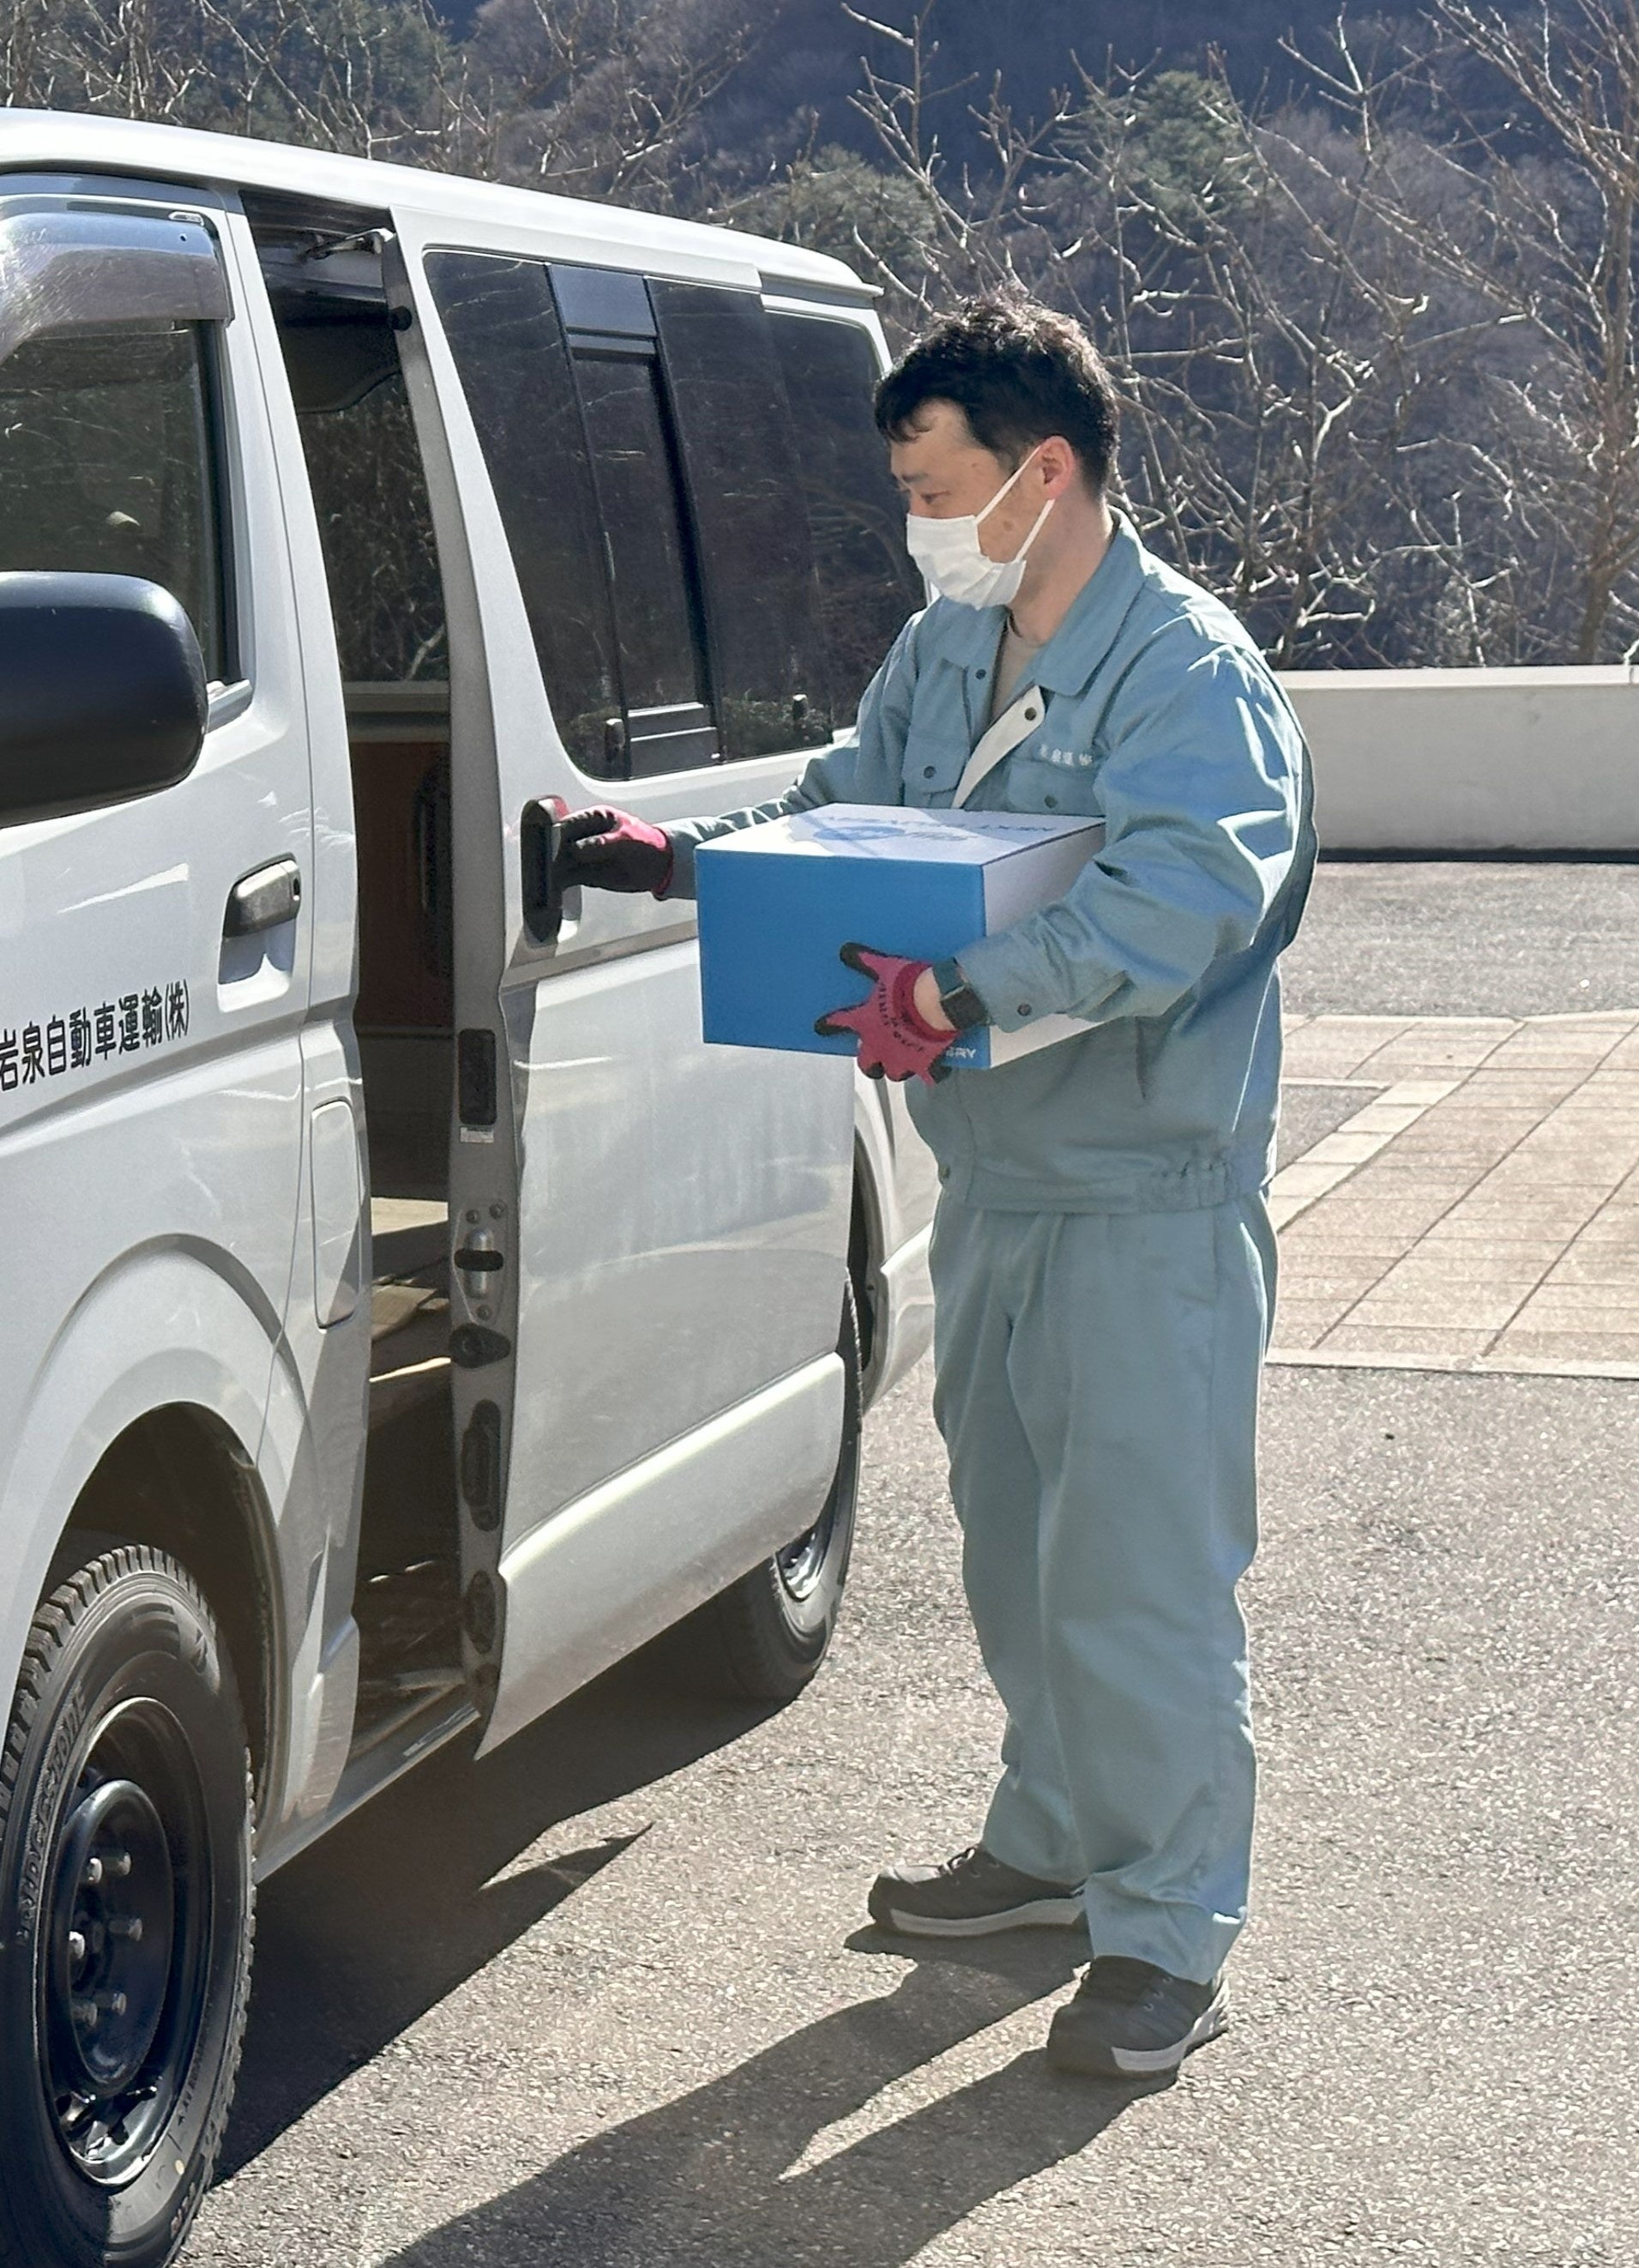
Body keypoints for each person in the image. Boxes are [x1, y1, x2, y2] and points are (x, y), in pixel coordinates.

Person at [553, 292, 1312, 2078]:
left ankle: (1165, 1927)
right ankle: (1050, 1851)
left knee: (1137, 1574)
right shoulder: (942, 648)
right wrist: (688, 860)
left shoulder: (1183, 674)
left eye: (933, 483)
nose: (916, 521)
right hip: (997, 1186)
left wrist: (959, 991)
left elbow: (1188, 898)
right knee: (1022, 1551)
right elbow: (844, 812)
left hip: (1144, 1197)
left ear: (1041, 473)